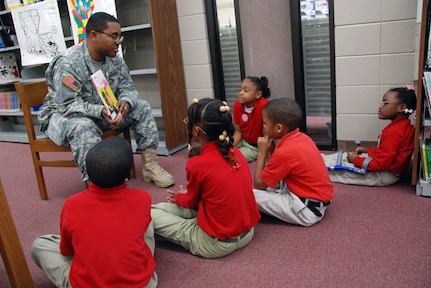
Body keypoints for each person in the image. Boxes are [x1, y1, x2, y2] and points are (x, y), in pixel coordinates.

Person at [38, 12, 174, 188]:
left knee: (142, 107)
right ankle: (96, 185)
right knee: (83, 127)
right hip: (65, 116)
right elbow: (66, 105)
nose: (119, 41)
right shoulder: (69, 63)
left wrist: (125, 101)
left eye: (120, 36)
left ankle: (150, 166)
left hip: (103, 112)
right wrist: (100, 111)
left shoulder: (114, 59)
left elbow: (128, 87)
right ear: (94, 35)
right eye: (114, 36)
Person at [30, 137, 157, 288]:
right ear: (127, 175)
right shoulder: (142, 198)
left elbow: (67, 251)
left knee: (39, 244)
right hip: (142, 284)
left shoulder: (71, 204)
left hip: (87, 284)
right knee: (148, 220)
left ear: (88, 173)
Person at [151, 98, 261, 258]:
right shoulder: (236, 152)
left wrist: (182, 198)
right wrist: (184, 198)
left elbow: (190, 202)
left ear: (196, 131)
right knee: (163, 208)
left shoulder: (197, 164)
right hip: (246, 234)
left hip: (215, 243)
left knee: (149, 213)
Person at [253, 98, 334, 227]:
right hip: (317, 201)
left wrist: (262, 153)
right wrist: (271, 149)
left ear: (279, 128)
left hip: (307, 210)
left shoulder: (285, 151)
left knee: (250, 194)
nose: (263, 126)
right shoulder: (302, 137)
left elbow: (258, 184)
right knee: (271, 183)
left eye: (265, 123)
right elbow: (278, 168)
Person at [322, 86, 417, 186]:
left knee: (340, 172)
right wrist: (367, 151)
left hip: (383, 175)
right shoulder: (404, 126)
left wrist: (356, 160)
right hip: (389, 169)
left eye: (385, 103)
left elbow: (380, 164)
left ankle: (315, 167)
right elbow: (387, 152)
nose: (380, 107)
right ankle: (321, 160)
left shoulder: (394, 132)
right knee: (344, 156)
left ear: (402, 108)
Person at [233, 76, 271, 162]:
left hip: (255, 147)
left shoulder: (263, 106)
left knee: (234, 157)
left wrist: (265, 152)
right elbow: (238, 131)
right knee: (220, 146)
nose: (241, 93)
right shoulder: (237, 105)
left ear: (258, 94)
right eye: (240, 90)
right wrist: (229, 146)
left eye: (245, 91)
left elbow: (267, 134)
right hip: (242, 140)